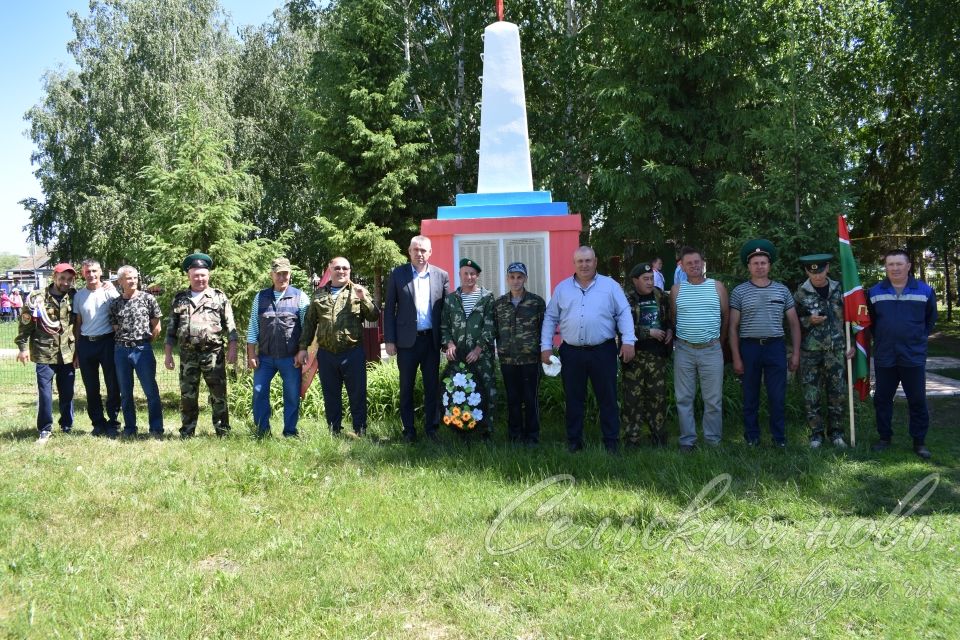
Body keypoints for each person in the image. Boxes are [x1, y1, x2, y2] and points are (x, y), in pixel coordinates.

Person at [540, 246, 636, 452]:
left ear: (595, 262)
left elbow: (624, 313)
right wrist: (546, 347)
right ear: (574, 263)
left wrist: (628, 341)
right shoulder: (562, 289)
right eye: (580, 261)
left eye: (588, 261)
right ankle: (574, 442)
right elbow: (550, 318)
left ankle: (611, 443)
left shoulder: (610, 286)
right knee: (574, 399)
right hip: (572, 352)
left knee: (608, 398)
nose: (584, 265)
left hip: (603, 351)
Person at [729, 239, 801, 448]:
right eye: (755, 263)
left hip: (775, 347)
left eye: (763, 263)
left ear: (769, 265)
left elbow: (794, 324)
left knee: (777, 396)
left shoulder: (782, 290)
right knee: (750, 395)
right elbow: (733, 327)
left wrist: (795, 353)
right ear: (748, 267)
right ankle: (752, 437)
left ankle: (779, 439)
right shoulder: (739, 292)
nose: (759, 267)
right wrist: (736, 356)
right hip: (749, 348)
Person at [297, 257, 379, 437]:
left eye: (345, 268)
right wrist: (303, 347)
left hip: (353, 352)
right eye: (337, 268)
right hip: (327, 354)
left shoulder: (358, 291)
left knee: (357, 394)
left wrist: (363, 298)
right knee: (331, 395)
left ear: (350, 270)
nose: (341, 271)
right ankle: (334, 431)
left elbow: (374, 316)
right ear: (330, 269)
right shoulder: (319, 294)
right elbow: (310, 323)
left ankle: (360, 430)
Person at [868, 249, 937, 459]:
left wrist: (915, 339)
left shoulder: (924, 291)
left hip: (912, 356)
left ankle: (919, 441)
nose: (895, 268)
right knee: (882, 399)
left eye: (899, 264)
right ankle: (884, 438)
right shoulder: (874, 292)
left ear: (908, 266)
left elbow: (929, 321)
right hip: (885, 355)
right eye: (890, 264)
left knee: (917, 400)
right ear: (886, 267)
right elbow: (871, 322)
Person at [384, 235, 450, 443]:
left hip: (431, 341)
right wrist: (390, 340)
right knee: (406, 388)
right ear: (409, 251)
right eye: (416, 250)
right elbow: (389, 310)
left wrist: (447, 340)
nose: (419, 254)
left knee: (432, 387)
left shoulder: (441, 275)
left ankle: (432, 429)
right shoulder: (398, 274)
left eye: (423, 250)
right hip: (406, 343)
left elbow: (447, 312)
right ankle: (409, 431)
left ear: (430, 252)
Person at [164, 253, 238, 438]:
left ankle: (223, 432)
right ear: (189, 275)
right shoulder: (180, 299)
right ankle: (187, 431)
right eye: (196, 275)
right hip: (188, 355)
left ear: (208, 275)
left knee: (218, 395)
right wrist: (167, 353)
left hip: (213, 354)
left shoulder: (219, 297)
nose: (200, 278)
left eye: (203, 275)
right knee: (188, 396)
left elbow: (230, 325)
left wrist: (233, 348)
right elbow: (171, 328)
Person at [670, 246, 728, 451]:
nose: (694, 266)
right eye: (689, 263)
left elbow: (726, 317)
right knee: (683, 398)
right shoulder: (677, 289)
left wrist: (718, 344)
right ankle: (687, 440)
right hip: (684, 350)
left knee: (713, 399)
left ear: (703, 262)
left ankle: (713, 440)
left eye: (697, 262)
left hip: (712, 349)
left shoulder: (717, 287)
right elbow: (673, 319)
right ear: (682, 267)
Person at [793, 254, 853, 449]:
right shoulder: (801, 293)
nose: (816, 276)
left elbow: (852, 318)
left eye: (820, 271)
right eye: (812, 272)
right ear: (806, 271)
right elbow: (793, 321)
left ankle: (836, 433)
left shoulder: (840, 289)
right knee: (812, 393)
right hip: (811, 351)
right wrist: (808, 321)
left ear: (827, 268)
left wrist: (852, 342)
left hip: (836, 349)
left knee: (837, 392)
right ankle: (816, 435)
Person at [15, 263, 78, 442]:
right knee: (45, 394)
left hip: (67, 353)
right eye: (62, 278)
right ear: (54, 277)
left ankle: (66, 426)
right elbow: (25, 324)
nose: (66, 282)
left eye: (69, 279)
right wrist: (22, 347)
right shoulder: (37, 297)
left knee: (67, 393)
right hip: (44, 352)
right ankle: (45, 428)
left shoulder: (74, 296)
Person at [247, 257, 308, 438]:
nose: (282, 277)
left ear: (290, 274)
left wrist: (302, 351)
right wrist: (251, 353)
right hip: (265, 358)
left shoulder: (300, 297)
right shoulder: (260, 297)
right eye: (278, 274)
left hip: (291, 358)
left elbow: (307, 328)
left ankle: (290, 432)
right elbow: (253, 327)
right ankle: (262, 432)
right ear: (271, 275)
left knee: (291, 396)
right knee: (258, 393)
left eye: (285, 274)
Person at [441, 258, 497, 438]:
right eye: (466, 273)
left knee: (486, 389)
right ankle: (460, 428)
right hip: (458, 357)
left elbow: (490, 326)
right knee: (458, 390)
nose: (469, 277)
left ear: (478, 276)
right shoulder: (451, 300)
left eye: (473, 274)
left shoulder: (487, 297)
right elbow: (444, 326)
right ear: (460, 275)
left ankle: (486, 429)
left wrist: (479, 349)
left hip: (481, 355)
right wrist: (449, 344)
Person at [493, 262, 545, 445]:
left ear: (525, 279)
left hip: (530, 359)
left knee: (530, 399)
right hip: (508, 359)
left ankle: (532, 435)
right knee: (513, 399)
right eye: (512, 277)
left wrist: (543, 352)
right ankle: (514, 435)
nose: (516, 281)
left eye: (519, 277)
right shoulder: (499, 304)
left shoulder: (536, 302)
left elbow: (544, 329)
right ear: (507, 279)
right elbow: (494, 330)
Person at [621, 263, 673, 447]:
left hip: (656, 356)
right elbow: (620, 327)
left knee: (657, 398)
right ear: (635, 280)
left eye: (651, 278)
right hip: (634, 356)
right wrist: (647, 332)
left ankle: (658, 438)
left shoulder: (661, 296)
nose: (650, 282)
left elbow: (668, 319)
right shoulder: (626, 299)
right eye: (645, 279)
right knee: (632, 399)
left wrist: (669, 331)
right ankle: (632, 439)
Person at [109, 265, 164, 437]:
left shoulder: (148, 299)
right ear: (120, 281)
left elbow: (157, 327)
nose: (132, 281)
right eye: (128, 278)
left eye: (134, 277)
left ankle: (156, 429)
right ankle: (130, 428)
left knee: (151, 391)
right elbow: (115, 327)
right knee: (125, 393)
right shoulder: (115, 303)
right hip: (121, 352)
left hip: (142, 350)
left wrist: (143, 342)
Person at [73, 259, 122, 437]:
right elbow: (77, 325)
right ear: (83, 274)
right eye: (87, 272)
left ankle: (113, 423)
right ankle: (98, 423)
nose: (91, 275)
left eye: (94, 271)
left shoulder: (110, 292)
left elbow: (121, 311)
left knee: (112, 384)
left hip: (108, 342)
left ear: (101, 271)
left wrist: (114, 290)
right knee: (91, 387)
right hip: (86, 344)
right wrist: (77, 351)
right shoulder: (78, 296)